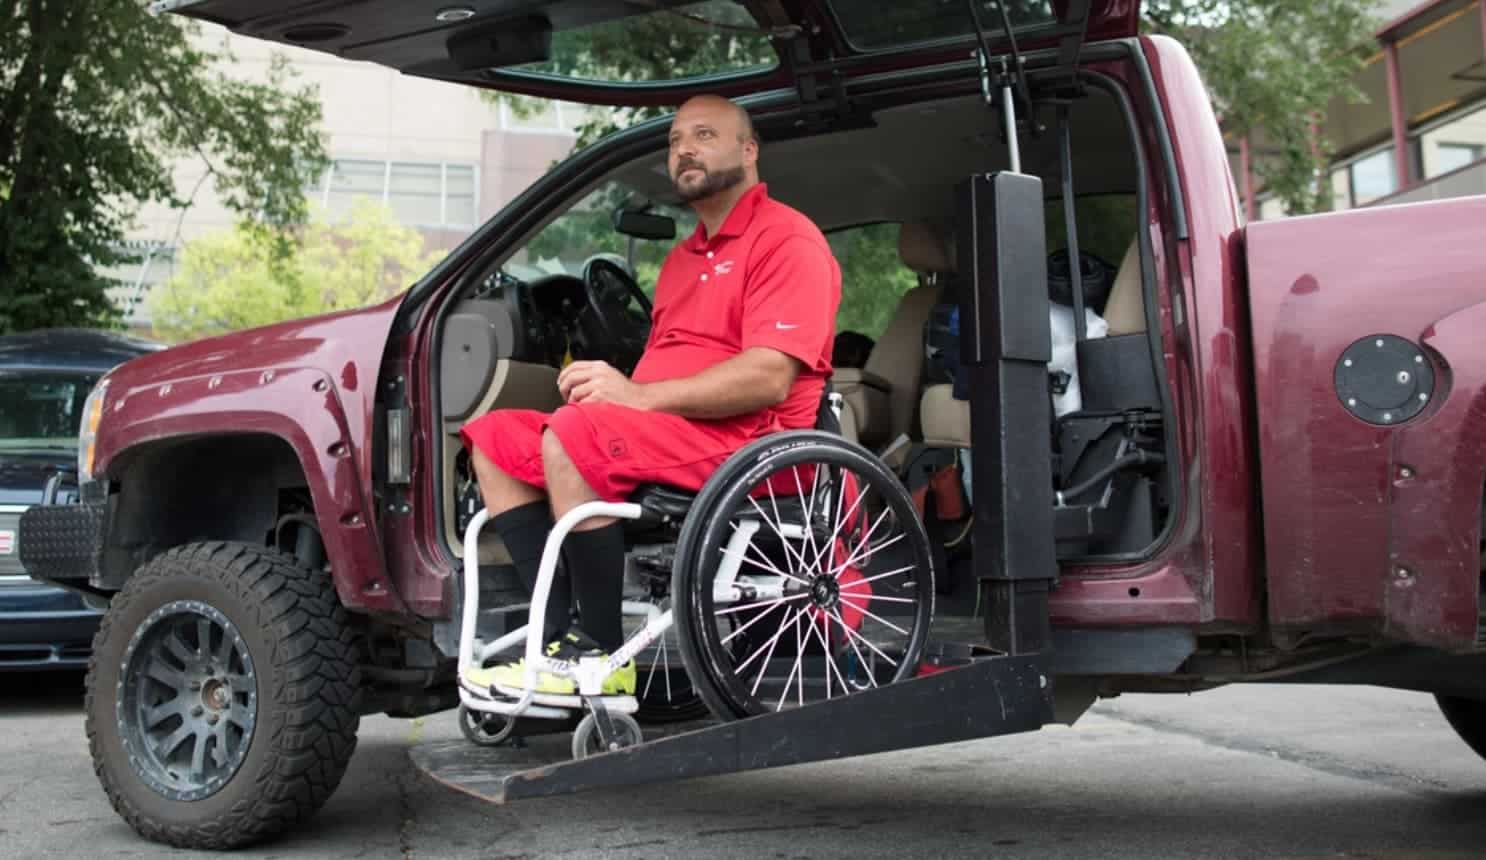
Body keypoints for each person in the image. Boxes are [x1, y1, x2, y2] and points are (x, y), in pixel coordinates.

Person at [461, 95, 842, 695]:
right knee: (495, 437)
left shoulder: (788, 241)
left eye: (704, 135)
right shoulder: (681, 260)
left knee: (571, 436)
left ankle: (603, 653)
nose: (684, 149)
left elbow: (769, 377)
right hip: (672, 431)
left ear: (748, 151)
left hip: (752, 443)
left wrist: (635, 397)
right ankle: (555, 638)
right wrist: (609, 390)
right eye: (674, 141)